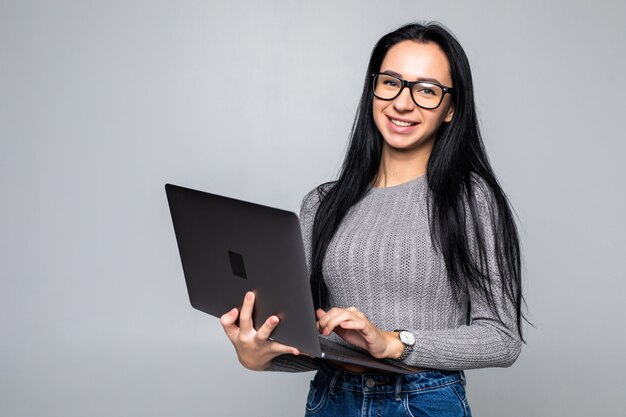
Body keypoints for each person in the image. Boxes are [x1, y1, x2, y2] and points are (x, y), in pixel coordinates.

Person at [220, 21, 527, 417]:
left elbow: (502, 339)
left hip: (422, 399)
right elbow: (311, 341)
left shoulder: (470, 199)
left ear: (451, 109)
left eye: (427, 90)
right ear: (373, 88)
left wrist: (396, 342)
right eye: (391, 82)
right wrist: (257, 355)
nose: (402, 103)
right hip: (331, 397)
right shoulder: (323, 202)